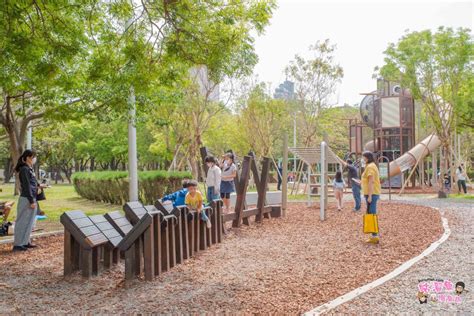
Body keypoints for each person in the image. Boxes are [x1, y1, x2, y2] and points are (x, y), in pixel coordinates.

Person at [13, 150, 39, 251]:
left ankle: (25, 241)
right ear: (28, 157)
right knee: (22, 221)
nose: (34, 159)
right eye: (33, 157)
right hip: (27, 199)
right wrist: (31, 201)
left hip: (31, 197)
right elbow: (27, 186)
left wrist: (39, 186)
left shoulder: (29, 169)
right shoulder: (24, 169)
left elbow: (32, 183)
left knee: (30, 221)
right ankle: (18, 244)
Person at [360, 151, 381, 244]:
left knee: (371, 213)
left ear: (367, 158)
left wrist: (369, 196)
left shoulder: (370, 167)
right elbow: (368, 181)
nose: (362, 159)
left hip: (371, 194)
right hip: (372, 193)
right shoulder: (371, 166)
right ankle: (373, 235)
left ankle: (374, 236)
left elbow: (371, 181)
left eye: (363, 157)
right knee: (370, 213)